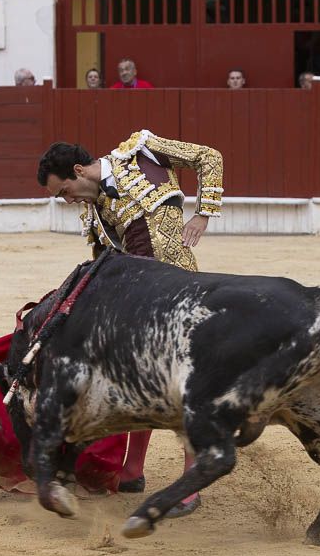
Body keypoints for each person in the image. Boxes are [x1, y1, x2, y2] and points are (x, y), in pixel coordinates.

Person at [37, 133, 224, 513]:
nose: (67, 200)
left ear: (77, 171)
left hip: (180, 295)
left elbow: (210, 156)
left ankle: (191, 483)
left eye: (64, 190)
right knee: (136, 379)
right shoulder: (92, 213)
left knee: (182, 385)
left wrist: (204, 212)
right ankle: (133, 469)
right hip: (139, 304)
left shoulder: (140, 152)